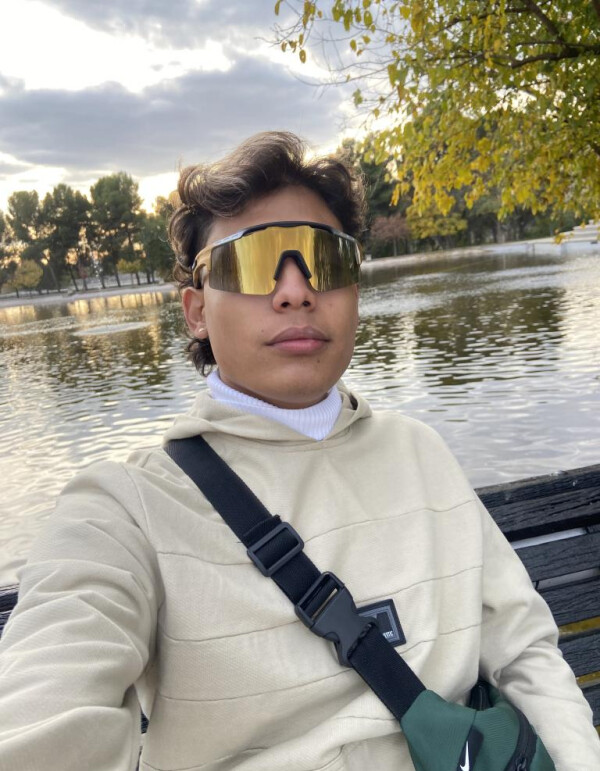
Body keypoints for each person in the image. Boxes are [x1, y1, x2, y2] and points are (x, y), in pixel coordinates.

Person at [0, 131, 598, 771]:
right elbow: (46, 717)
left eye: (325, 260)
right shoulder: (124, 510)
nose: (295, 291)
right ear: (196, 312)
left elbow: (523, 651)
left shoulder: (419, 451)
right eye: (253, 261)